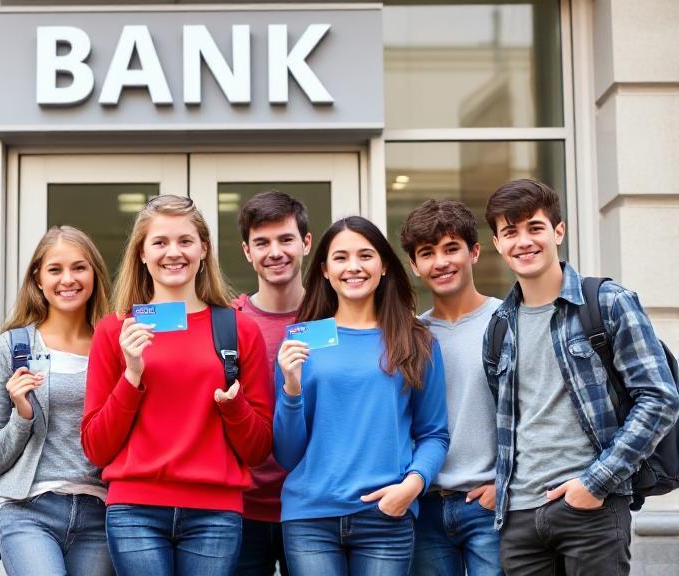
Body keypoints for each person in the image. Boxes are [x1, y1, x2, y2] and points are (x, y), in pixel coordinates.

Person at [483, 179, 679, 575]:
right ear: (497, 245)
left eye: (534, 228)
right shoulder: (499, 327)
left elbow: (659, 398)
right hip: (519, 518)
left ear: (558, 231)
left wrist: (596, 483)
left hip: (592, 509)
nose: (523, 241)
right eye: (510, 232)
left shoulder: (607, 302)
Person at [82, 195, 274, 576]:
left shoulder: (239, 329)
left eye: (185, 241)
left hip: (216, 512)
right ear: (141, 253)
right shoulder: (115, 330)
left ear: (204, 249)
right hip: (134, 510)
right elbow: (96, 448)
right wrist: (131, 377)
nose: (174, 252)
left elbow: (258, 450)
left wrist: (233, 408)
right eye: (160, 242)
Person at [275, 215, 449, 576]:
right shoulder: (302, 340)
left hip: (385, 516)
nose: (353, 267)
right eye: (340, 258)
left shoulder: (415, 340)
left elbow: (434, 434)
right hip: (310, 518)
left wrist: (411, 486)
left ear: (383, 265)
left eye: (365, 255)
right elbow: (288, 454)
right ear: (324, 270)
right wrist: (291, 388)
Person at [0, 226, 114, 576]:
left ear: (95, 274)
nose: (68, 279)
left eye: (78, 268)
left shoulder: (112, 344)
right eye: (55, 269)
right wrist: (22, 417)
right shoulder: (13, 347)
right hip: (28, 509)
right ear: (38, 279)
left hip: (99, 511)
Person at [399, 200, 502, 576]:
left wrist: (505, 485)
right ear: (414, 265)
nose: (440, 262)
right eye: (427, 253)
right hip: (425, 507)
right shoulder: (410, 336)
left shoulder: (507, 322)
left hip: (488, 505)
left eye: (451, 248)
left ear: (474, 252)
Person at [232, 190, 312, 576]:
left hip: (313, 509)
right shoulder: (227, 321)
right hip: (242, 507)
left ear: (306, 244)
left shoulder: (332, 318)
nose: (275, 252)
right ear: (247, 251)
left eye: (285, 239)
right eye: (262, 243)